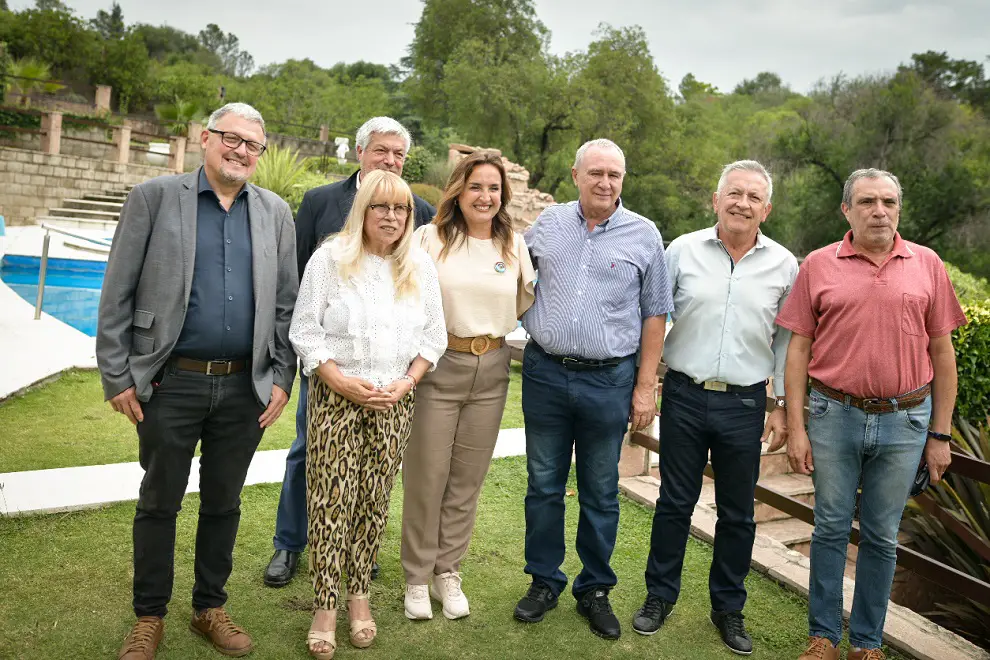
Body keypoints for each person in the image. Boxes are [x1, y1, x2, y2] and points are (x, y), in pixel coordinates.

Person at [97, 102, 298, 660]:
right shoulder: (154, 198)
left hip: (244, 389)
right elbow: (117, 291)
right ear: (205, 139)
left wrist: (282, 376)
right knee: (159, 501)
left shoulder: (275, 212)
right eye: (231, 138)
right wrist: (117, 374)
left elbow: (286, 303)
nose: (240, 151)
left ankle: (210, 606)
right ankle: (149, 616)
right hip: (170, 382)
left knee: (223, 502)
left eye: (252, 145)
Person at [776, 168, 967, 660]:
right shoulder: (819, 264)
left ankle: (866, 643)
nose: (878, 211)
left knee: (882, 536)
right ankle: (823, 637)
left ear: (898, 209)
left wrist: (940, 434)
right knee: (830, 528)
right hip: (833, 415)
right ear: (847, 210)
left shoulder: (927, 264)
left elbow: (942, 353)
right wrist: (796, 427)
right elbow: (798, 350)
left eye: (888, 202)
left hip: (906, 421)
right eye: (866, 202)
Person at [632, 160, 798, 653]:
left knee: (738, 514)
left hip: (745, 403)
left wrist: (780, 404)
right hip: (684, 393)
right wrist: (646, 382)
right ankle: (659, 596)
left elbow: (787, 342)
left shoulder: (784, 265)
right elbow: (654, 317)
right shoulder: (681, 250)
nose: (742, 203)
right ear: (716, 200)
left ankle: (728, 608)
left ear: (767, 209)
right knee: (674, 504)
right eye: (734, 193)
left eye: (753, 197)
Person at [264, 116, 436, 588]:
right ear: (360, 152)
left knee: (373, 466)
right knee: (308, 451)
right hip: (328, 364)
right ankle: (290, 542)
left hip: (387, 370)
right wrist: (316, 365)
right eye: (382, 150)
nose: (390, 160)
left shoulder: (420, 211)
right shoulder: (321, 202)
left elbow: (420, 290)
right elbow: (295, 282)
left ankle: (358, 549)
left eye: (399, 154)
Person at [512, 138, 673, 640]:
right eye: (596, 173)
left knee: (601, 490)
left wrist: (645, 387)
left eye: (614, 175)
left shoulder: (644, 235)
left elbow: (655, 314)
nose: (605, 183)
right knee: (543, 484)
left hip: (609, 380)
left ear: (623, 179)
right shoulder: (548, 224)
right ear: (576, 175)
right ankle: (544, 581)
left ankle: (595, 589)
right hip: (545, 372)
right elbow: (513, 275)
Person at [289, 169, 447, 659]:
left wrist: (407, 382)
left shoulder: (419, 266)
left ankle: (359, 596)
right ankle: (324, 607)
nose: (392, 217)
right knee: (330, 501)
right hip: (337, 398)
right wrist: (337, 380)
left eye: (401, 208)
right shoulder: (330, 259)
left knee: (373, 502)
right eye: (381, 206)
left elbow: (434, 337)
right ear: (363, 210)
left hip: (393, 400)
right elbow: (304, 330)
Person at [401, 150, 536, 621]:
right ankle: (417, 577)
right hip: (438, 367)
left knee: (466, 482)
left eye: (494, 188)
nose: (485, 196)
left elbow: (522, 302)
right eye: (476, 186)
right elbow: (405, 298)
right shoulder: (429, 238)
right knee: (427, 479)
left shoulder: (513, 244)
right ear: (458, 191)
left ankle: (447, 572)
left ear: (503, 195)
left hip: (492, 369)